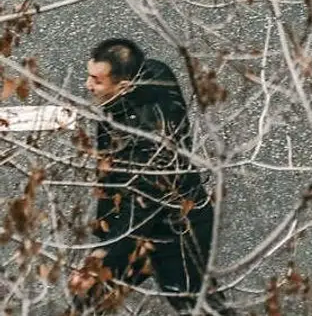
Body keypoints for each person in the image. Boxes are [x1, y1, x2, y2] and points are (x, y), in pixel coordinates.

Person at [71, 39, 226, 314]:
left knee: (197, 307)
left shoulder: (151, 140)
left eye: (96, 80)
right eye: (89, 75)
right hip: (137, 223)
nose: (87, 85)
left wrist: (105, 254)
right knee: (90, 301)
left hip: (176, 230)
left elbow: (142, 201)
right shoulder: (152, 75)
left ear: (125, 85)